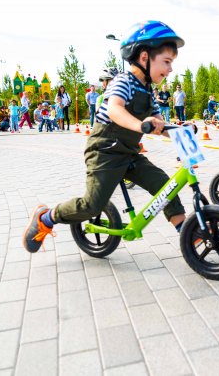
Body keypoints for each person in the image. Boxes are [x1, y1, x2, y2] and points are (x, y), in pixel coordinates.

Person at [22, 20, 188, 253]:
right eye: (167, 62)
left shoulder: (148, 92)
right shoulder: (124, 81)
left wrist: (180, 129)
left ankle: (191, 235)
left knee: (165, 186)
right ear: (144, 57)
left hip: (129, 155)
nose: (170, 69)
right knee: (92, 205)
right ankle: (46, 217)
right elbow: (115, 110)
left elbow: (159, 123)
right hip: (104, 152)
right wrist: (142, 125)